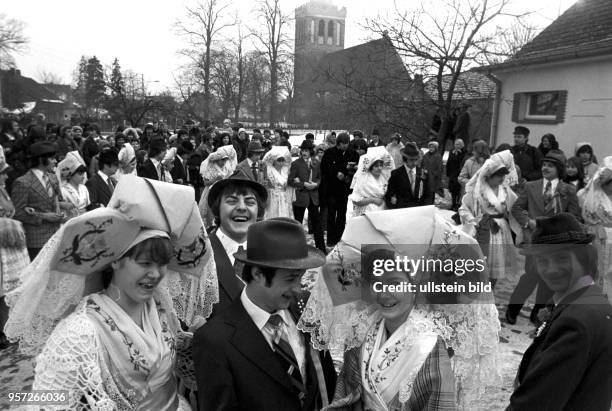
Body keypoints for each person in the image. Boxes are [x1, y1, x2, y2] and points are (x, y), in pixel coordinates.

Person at [5, 174, 216, 410]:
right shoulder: (79, 333)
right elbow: (45, 401)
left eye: (162, 264)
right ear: (115, 261)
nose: (156, 274)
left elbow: (161, 358)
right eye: (145, 263)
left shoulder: (159, 305)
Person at [299, 207, 502, 411]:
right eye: (377, 283)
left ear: (415, 285)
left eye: (395, 283)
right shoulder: (363, 329)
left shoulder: (429, 346)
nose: (384, 294)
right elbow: (348, 389)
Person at [193, 218, 337, 411]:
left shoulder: (307, 308)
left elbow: (326, 381)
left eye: (301, 277)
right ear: (258, 274)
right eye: (290, 279)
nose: (298, 288)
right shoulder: (215, 341)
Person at [507, 213, 612, 410]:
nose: (551, 269)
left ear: (583, 258)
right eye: (542, 261)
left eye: (561, 258)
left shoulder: (575, 322)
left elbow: (535, 404)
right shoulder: (592, 301)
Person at [507, 149, 582, 326]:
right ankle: (513, 308)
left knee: (548, 279)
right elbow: (517, 208)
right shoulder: (531, 186)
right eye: (543, 165)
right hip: (534, 240)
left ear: (559, 169)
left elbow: (574, 218)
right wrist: (528, 223)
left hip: (556, 243)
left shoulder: (568, 190)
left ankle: (538, 313)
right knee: (531, 275)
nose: (545, 168)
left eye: (550, 165)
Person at [459, 150, 521, 289]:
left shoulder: (505, 191)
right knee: (477, 268)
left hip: (499, 233)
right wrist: (472, 220)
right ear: (488, 176)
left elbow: (516, 209)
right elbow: (464, 208)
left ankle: (489, 294)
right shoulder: (477, 192)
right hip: (480, 230)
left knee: (495, 269)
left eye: (503, 175)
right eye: (498, 175)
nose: (501, 178)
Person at [11, 142, 69, 260]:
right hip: (36, 240)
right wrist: (43, 216)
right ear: (41, 159)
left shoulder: (53, 178)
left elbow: (57, 200)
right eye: (52, 158)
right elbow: (17, 213)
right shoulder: (23, 182)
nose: (55, 161)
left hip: (56, 235)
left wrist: (61, 211)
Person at [0, 158, 29, 350]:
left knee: (9, 291)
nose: (6, 175)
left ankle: (8, 328)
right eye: (3, 172)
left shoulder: (2, 189)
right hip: (3, 245)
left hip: (8, 246)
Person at [578, 156, 612, 304]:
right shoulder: (595, 198)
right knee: (598, 268)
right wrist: (597, 226)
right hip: (600, 236)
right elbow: (588, 215)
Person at [289, 140, 326, 253]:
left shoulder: (316, 162)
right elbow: (290, 181)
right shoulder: (296, 164)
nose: (304, 152)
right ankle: (295, 248)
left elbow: (320, 177)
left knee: (317, 224)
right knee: (297, 224)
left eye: (306, 150)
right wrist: (302, 184)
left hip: (313, 197)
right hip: (300, 197)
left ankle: (321, 248)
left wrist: (316, 184)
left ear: (311, 151)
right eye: (303, 150)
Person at [320, 133, 351, 247]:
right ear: (338, 143)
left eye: (347, 143)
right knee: (331, 214)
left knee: (342, 215)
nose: (345, 146)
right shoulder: (329, 152)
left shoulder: (350, 153)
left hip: (344, 189)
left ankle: (340, 237)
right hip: (331, 188)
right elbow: (324, 168)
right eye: (343, 144)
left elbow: (354, 167)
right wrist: (335, 173)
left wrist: (348, 175)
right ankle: (331, 239)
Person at [348, 146, 394, 218]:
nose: (379, 168)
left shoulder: (383, 178)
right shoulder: (363, 179)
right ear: (371, 167)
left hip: (382, 213)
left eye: (381, 165)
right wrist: (372, 200)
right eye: (376, 166)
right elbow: (355, 200)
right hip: (366, 214)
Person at [198, 145, 237, 228]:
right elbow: (205, 182)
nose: (223, 162)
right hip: (211, 191)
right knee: (211, 212)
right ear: (217, 159)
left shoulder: (226, 166)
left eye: (225, 160)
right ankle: (211, 228)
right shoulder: (211, 166)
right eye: (222, 160)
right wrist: (216, 179)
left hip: (223, 191)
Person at [385, 143, 430, 209]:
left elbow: (427, 194)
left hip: (419, 211)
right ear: (405, 159)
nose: (414, 163)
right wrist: (394, 208)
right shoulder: (396, 174)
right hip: (402, 211)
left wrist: (425, 209)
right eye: (411, 160)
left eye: (416, 160)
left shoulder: (423, 173)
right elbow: (389, 195)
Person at [262, 146, 293, 219]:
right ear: (274, 161)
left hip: (284, 197)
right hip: (272, 196)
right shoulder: (269, 170)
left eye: (283, 161)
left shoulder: (285, 170)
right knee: (273, 216)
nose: (281, 163)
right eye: (279, 161)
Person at [57, 151, 90, 218]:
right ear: (70, 175)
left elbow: (88, 205)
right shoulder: (63, 191)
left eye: (83, 174)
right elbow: (63, 214)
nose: (83, 176)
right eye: (80, 174)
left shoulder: (84, 188)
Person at [446, 138, 467, 210]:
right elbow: (449, 162)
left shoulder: (464, 152)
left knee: (458, 190)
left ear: (462, 145)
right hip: (452, 173)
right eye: (455, 144)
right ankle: (453, 203)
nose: (456, 146)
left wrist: (459, 154)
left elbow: (462, 162)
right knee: (452, 190)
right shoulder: (452, 151)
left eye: (458, 144)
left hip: (459, 173)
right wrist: (448, 173)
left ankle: (458, 204)